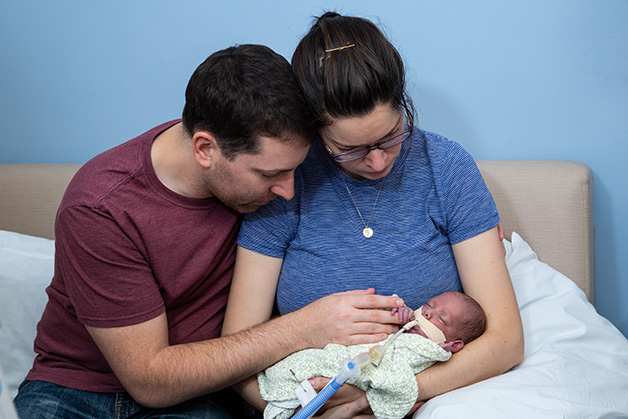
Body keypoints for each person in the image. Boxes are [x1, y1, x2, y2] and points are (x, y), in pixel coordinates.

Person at [13, 44, 407, 419]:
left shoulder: (271, 172)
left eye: (293, 170)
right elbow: (149, 380)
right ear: (205, 149)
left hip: (201, 396)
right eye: (270, 174)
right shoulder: (101, 207)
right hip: (73, 389)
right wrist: (304, 328)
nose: (288, 191)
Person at [222, 12, 524, 418]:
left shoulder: (446, 167)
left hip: (429, 397)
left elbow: (506, 340)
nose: (379, 161)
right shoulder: (287, 182)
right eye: (351, 149)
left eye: (391, 136)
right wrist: (306, 408)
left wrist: (375, 398)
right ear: (316, 132)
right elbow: (237, 352)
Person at [259, 292, 486, 419]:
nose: (427, 312)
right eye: (428, 305)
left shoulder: (429, 352)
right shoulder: (405, 328)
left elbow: (400, 379)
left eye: (441, 319)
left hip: (350, 379)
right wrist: (399, 314)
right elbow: (381, 328)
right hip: (336, 357)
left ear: (452, 345)